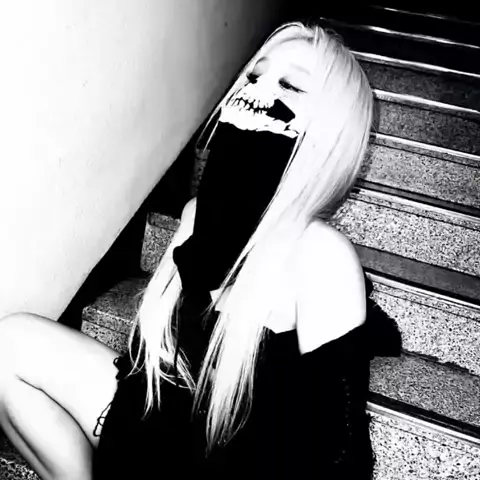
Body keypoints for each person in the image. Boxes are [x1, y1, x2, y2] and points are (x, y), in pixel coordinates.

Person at [0, 20, 400, 480]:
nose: (257, 92)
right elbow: (151, 364)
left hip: (236, 462)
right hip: (160, 419)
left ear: (327, 134)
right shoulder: (197, 216)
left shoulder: (321, 254)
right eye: (254, 76)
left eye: (291, 86)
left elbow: (334, 455)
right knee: (10, 345)